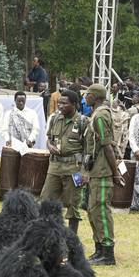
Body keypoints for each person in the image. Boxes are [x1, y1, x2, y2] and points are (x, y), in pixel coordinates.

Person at [82, 83, 125, 266]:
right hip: (95, 170)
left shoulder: (100, 116)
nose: (85, 97)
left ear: (95, 96)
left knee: (100, 210)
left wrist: (115, 173)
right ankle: (99, 248)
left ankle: (108, 253)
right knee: (93, 210)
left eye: (88, 95)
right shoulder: (97, 114)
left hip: (102, 171)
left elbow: (107, 146)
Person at [41, 89, 87, 233]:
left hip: (75, 169)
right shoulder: (55, 119)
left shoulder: (83, 122)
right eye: (59, 102)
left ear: (74, 104)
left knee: (73, 204)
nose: (60, 105)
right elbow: (48, 138)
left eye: (64, 103)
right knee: (46, 200)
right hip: (54, 166)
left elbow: (89, 150)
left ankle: (71, 239)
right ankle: (48, 232)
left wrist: (85, 172)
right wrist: (50, 146)